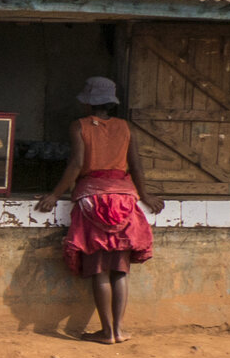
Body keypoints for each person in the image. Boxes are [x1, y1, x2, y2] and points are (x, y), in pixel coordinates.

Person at [36, 76, 164, 344]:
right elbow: (137, 167)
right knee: (120, 268)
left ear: (86, 103)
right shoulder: (125, 127)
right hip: (124, 199)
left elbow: (76, 164)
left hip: (93, 200)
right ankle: (119, 329)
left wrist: (55, 195)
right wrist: (146, 195)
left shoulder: (79, 126)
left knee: (99, 269)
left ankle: (107, 332)